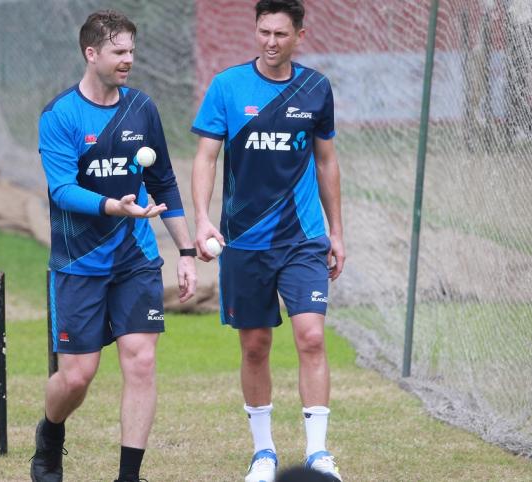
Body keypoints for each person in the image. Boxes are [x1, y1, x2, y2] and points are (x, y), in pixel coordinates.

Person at [30, 10, 197, 482]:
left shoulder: (142, 108)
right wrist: (113, 206)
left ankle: (129, 476)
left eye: (131, 51)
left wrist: (185, 252)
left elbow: (163, 182)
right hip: (79, 260)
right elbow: (61, 189)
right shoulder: (60, 115)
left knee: (141, 361)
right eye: (119, 51)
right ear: (91, 53)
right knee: (77, 377)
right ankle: (50, 432)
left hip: (135, 258)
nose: (128, 60)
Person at [190, 1, 345, 481]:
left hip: (303, 237)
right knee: (255, 345)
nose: (271, 42)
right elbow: (206, 157)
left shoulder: (315, 88)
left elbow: (326, 162)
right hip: (244, 241)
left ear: (300, 34)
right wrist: (201, 218)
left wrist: (337, 230)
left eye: (281, 34)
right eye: (263, 32)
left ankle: (318, 454)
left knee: (312, 337)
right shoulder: (228, 87)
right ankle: (264, 453)